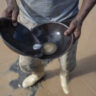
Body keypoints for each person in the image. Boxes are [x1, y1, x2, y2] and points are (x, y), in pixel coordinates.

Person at [2, 0, 96, 94]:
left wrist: (80, 18)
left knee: (67, 61)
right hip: (29, 20)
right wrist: (11, 3)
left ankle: (64, 74)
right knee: (28, 62)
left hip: (67, 22)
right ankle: (38, 73)